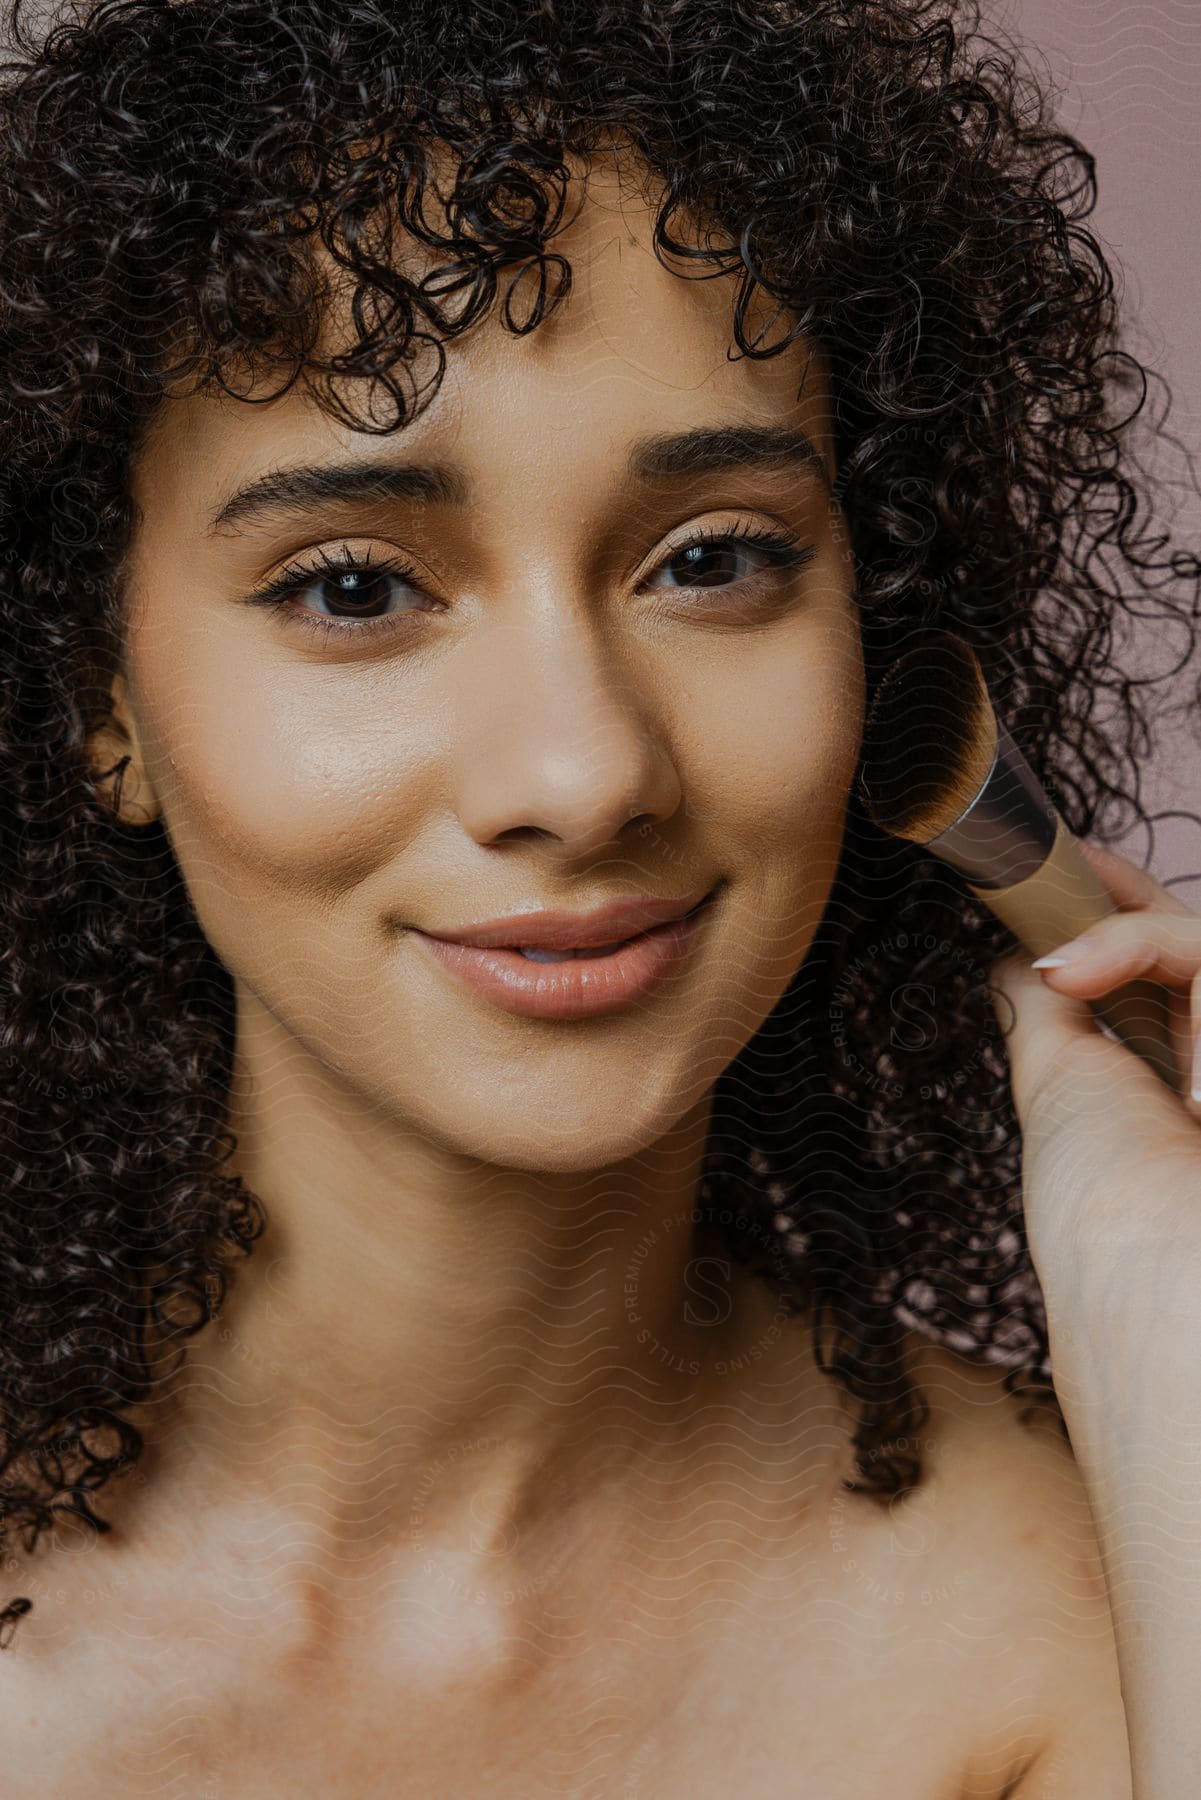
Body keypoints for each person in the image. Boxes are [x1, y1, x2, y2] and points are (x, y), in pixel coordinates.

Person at [0, 0, 1196, 1791]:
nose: (582, 774)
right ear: (99, 694)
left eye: (710, 561)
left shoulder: (1080, 1619)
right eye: (351, 590)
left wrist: (1164, 1303)